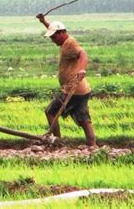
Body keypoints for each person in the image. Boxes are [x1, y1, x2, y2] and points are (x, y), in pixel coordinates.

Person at [36, 13, 96, 146]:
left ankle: (57, 141)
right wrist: (44, 21)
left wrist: (82, 69)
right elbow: (53, 29)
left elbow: (83, 54)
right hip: (82, 89)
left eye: (53, 37)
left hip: (72, 89)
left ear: (62, 33)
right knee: (83, 118)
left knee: (50, 111)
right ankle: (92, 145)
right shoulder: (64, 42)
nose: (52, 40)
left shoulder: (70, 43)